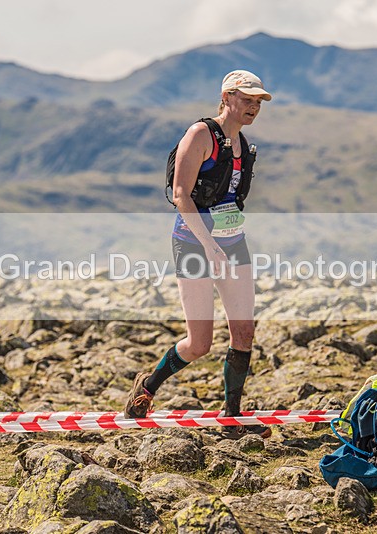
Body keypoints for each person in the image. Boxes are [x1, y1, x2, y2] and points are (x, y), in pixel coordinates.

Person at [124, 70, 272, 439]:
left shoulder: (244, 145)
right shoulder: (200, 135)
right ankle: (148, 386)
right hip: (193, 243)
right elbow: (181, 194)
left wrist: (225, 242)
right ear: (226, 97)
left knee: (244, 332)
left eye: (258, 102)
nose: (253, 106)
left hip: (232, 242)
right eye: (247, 99)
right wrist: (208, 244)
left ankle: (232, 418)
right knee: (199, 343)